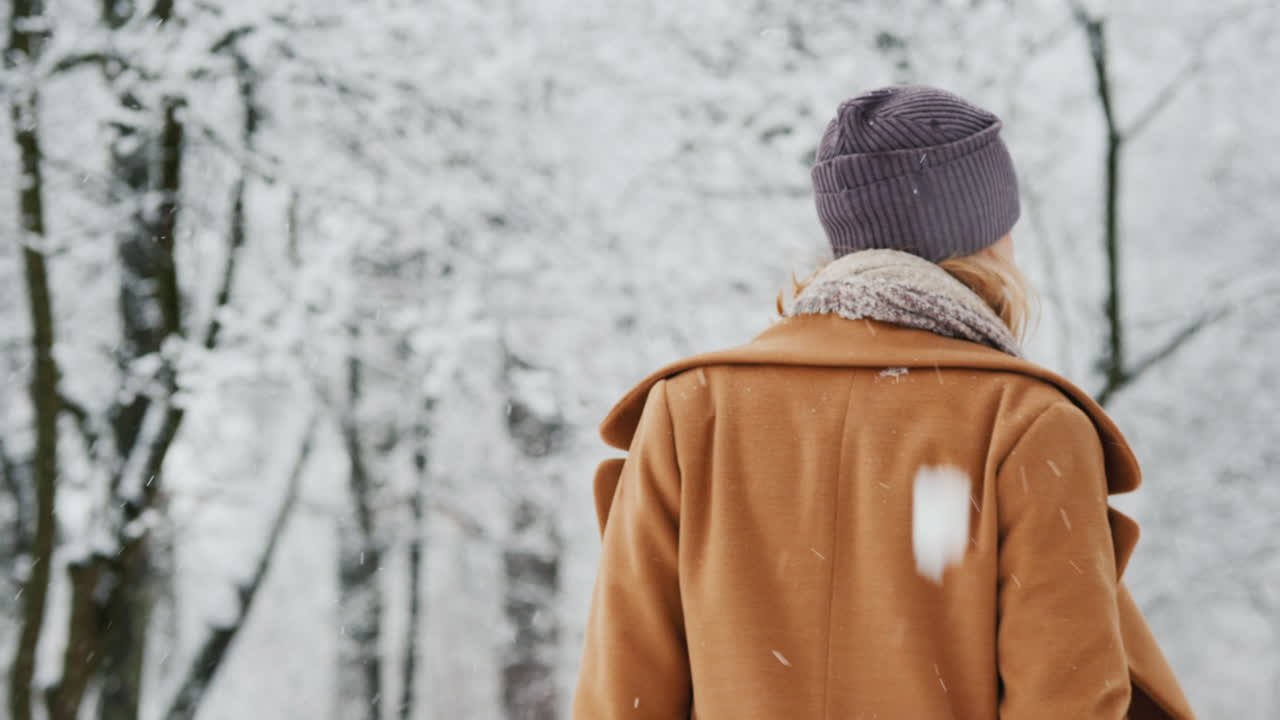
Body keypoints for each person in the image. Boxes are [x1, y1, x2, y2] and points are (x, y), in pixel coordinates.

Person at [572, 85, 1194, 719]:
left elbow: (625, 691)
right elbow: (1064, 702)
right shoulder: (1024, 424)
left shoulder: (690, 412)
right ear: (986, 234)